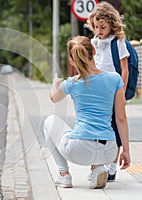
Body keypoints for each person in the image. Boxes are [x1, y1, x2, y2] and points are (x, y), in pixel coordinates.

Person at [44, 36, 130, 189]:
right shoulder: (115, 78)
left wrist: (55, 84)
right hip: (109, 151)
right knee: (100, 134)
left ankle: (64, 175)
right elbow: (121, 118)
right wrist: (126, 151)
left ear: (71, 60)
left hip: (79, 150)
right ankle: (98, 168)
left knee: (49, 121)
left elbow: (53, 98)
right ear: (94, 51)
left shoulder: (71, 83)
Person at [85, 1, 129, 182]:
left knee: (114, 129)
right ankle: (98, 167)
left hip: (114, 91)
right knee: (98, 127)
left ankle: (111, 168)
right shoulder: (94, 42)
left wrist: (123, 93)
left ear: (112, 23)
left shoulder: (117, 42)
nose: (99, 30)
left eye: (102, 26)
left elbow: (124, 69)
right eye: (95, 26)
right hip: (98, 93)